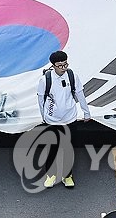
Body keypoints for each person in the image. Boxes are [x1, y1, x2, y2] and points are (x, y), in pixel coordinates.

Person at [37, 49, 90, 187]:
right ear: (53, 65)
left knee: (68, 149)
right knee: (52, 148)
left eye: (65, 64)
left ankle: (68, 176)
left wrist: (86, 112)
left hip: (70, 118)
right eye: (60, 65)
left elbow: (80, 94)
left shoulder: (72, 76)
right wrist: (44, 116)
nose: (63, 68)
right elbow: (41, 98)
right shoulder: (45, 80)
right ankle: (50, 175)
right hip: (52, 120)